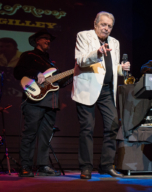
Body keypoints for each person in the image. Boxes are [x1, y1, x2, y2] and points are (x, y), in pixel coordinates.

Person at [71, 11, 130, 179]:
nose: (106, 28)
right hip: (87, 88)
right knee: (87, 128)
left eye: (109, 26)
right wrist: (97, 53)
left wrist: (121, 68)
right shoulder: (83, 36)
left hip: (106, 90)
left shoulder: (115, 42)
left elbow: (110, 67)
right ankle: (86, 167)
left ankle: (106, 165)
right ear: (95, 24)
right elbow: (81, 60)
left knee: (112, 126)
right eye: (103, 24)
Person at [13, 29, 71, 177]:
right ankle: (25, 166)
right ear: (37, 40)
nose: (48, 41)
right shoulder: (29, 55)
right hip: (34, 101)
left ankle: (43, 166)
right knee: (30, 134)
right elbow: (18, 72)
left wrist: (74, 74)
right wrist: (36, 73)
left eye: (49, 39)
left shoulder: (50, 63)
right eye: (45, 38)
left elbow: (60, 84)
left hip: (51, 103)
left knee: (45, 136)